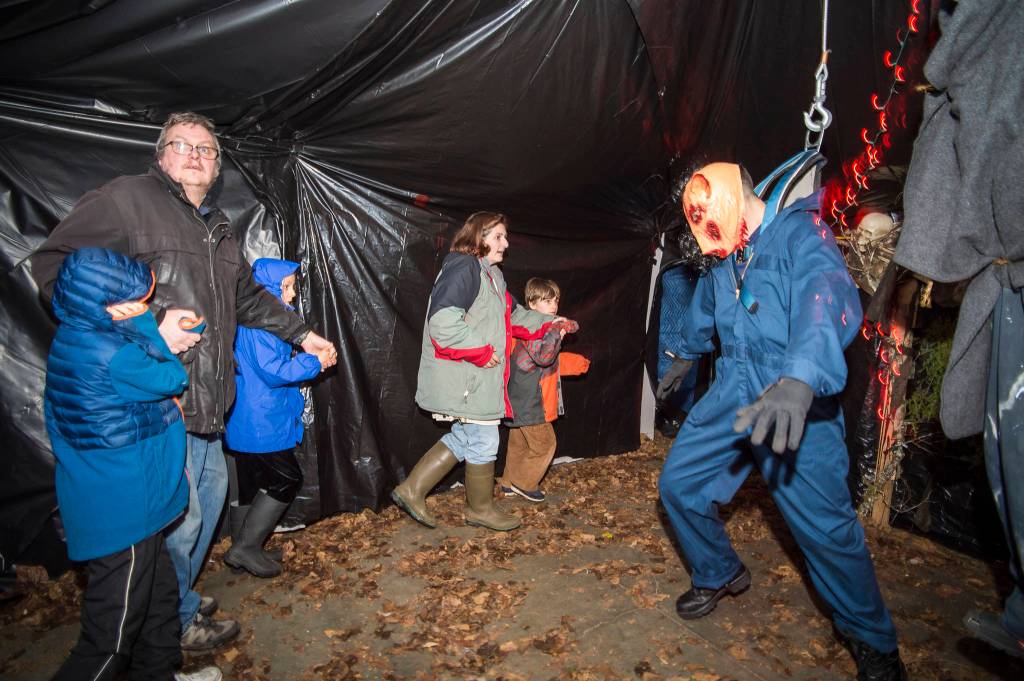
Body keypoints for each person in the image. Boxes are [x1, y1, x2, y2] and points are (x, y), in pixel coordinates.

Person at [30, 112, 338, 651]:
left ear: (217, 167)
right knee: (179, 524)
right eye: (182, 144)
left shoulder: (216, 225)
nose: (195, 155)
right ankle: (167, 631)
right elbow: (54, 270)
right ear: (160, 155)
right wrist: (146, 323)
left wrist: (303, 334)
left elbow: (246, 298)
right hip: (159, 404)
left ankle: (176, 604)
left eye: (206, 149)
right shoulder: (126, 200)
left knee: (204, 511)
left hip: (210, 405)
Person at [656, 163, 906, 680]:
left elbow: (824, 297)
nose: (710, 245)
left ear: (734, 202)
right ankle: (719, 571)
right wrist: (686, 350)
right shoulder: (729, 247)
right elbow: (710, 299)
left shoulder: (801, 234)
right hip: (733, 388)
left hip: (794, 397)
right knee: (680, 485)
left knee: (826, 531)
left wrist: (801, 376)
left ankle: (874, 642)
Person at [44, 247, 219, 681]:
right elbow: (172, 377)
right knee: (110, 641)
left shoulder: (76, 335)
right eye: (134, 301)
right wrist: (145, 326)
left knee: (158, 604)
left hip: (126, 503)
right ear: (108, 303)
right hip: (124, 512)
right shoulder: (114, 353)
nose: (142, 306)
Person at [392, 211, 553, 531]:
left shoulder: (493, 276)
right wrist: (483, 351)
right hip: (468, 377)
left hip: (479, 379)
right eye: (498, 237)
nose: (506, 244)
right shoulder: (464, 267)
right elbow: (442, 324)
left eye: (505, 237)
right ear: (478, 237)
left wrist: (551, 322)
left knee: (466, 437)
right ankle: (480, 509)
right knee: (484, 440)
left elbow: (515, 316)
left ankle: (411, 489)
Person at [223, 259, 328, 578]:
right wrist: (315, 361)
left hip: (248, 416)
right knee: (286, 478)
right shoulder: (261, 327)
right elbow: (274, 372)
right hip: (261, 418)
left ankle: (243, 549)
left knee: (252, 483)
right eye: (288, 286)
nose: (293, 294)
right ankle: (245, 548)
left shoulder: (258, 321)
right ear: (269, 289)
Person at [498, 278, 589, 502]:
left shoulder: (535, 328)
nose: (553, 306)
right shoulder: (534, 328)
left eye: (555, 301)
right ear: (531, 303)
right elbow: (545, 357)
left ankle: (508, 483)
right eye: (547, 301)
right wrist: (556, 334)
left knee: (519, 445)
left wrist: (577, 364)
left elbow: (545, 365)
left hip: (519, 399)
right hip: (530, 401)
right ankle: (524, 482)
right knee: (545, 444)